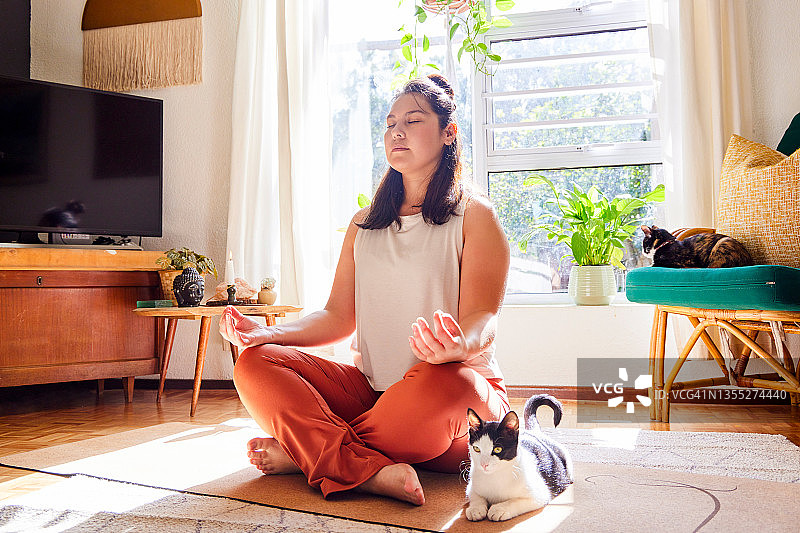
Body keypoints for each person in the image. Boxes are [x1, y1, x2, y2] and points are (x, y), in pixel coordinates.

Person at [219, 74, 510, 506]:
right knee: (254, 364)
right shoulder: (363, 224)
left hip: (449, 404)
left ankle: (310, 455)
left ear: (448, 133)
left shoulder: (475, 216)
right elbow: (337, 317)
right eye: (391, 122)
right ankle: (367, 470)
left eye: (413, 120)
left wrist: (457, 345)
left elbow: (483, 318)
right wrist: (268, 335)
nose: (397, 131)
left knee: (455, 386)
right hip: (374, 398)